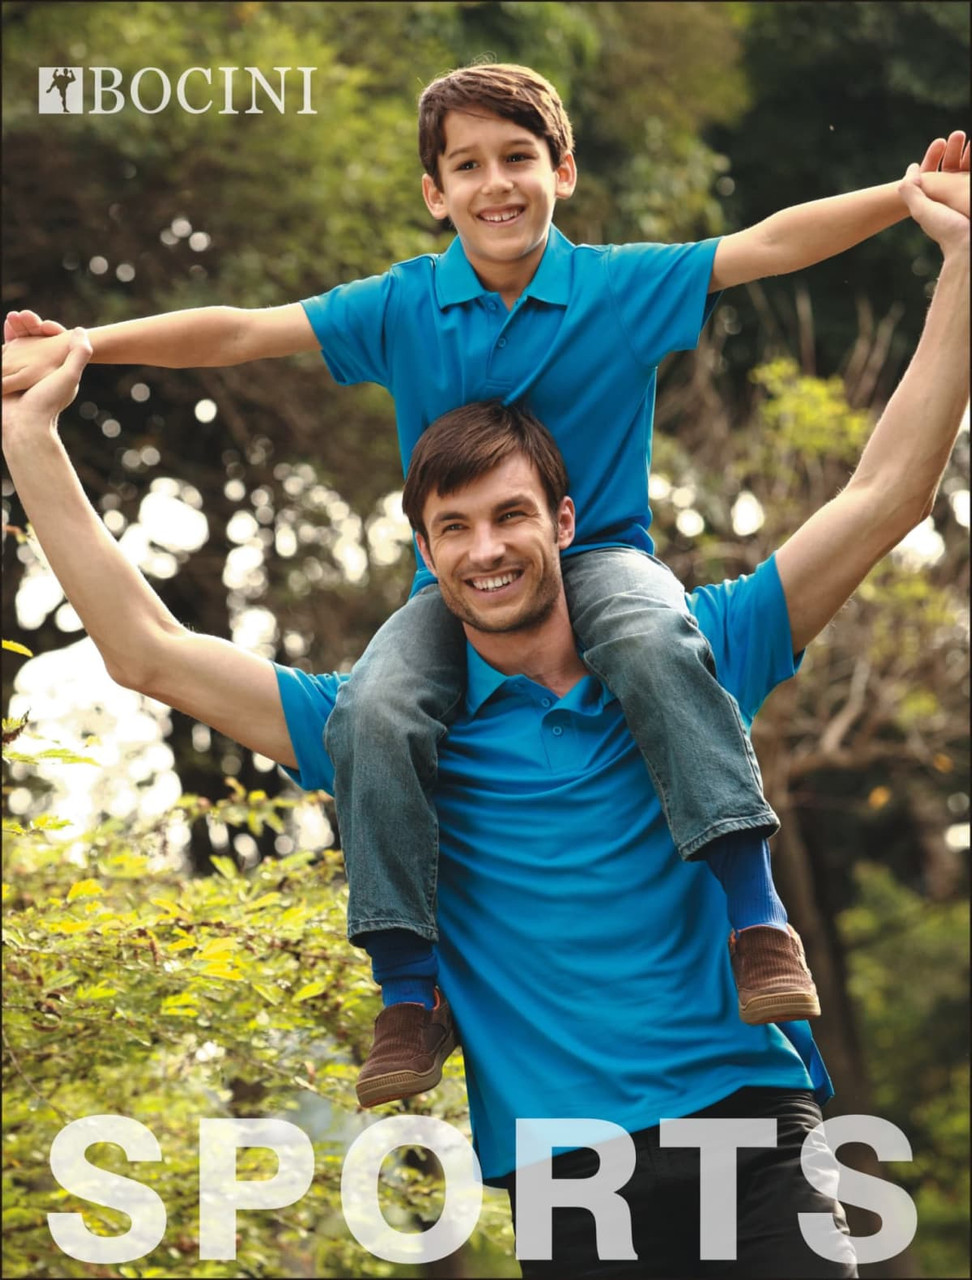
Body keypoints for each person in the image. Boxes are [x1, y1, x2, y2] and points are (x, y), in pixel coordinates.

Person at [1, 166, 967, 1276]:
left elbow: (885, 491)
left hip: (753, 1131)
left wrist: (963, 268)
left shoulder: (698, 655)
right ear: (426, 550)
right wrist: (30, 434)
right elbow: (148, 652)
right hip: (567, 1175)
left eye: (512, 514)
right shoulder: (386, 730)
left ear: (564, 519)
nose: (488, 547)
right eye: (454, 526)